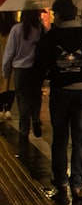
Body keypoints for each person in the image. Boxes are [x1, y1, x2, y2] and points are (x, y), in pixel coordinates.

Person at [34, 0, 82, 201]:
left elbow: (41, 65)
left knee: (60, 138)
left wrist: (37, 85)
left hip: (60, 91)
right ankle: (77, 184)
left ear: (58, 15)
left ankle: (60, 180)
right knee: (80, 140)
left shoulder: (52, 36)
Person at [2, 8, 46, 140]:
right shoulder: (41, 29)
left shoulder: (16, 29)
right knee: (36, 96)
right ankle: (36, 118)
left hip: (21, 70)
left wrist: (6, 70)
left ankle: (24, 131)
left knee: (23, 100)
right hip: (37, 70)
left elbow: (9, 53)